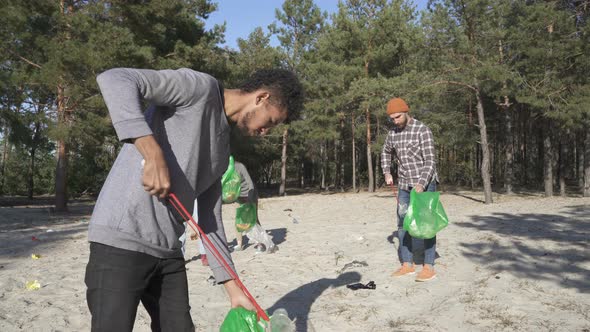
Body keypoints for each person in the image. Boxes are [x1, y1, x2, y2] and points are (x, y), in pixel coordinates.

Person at [84, 67, 303, 331]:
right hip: (121, 240)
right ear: (261, 98)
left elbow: (210, 223)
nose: (266, 131)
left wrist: (233, 290)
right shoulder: (199, 88)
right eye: (270, 121)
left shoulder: (222, 153)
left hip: (168, 251)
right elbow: (115, 79)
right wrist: (151, 151)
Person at [381, 97, 439, 282]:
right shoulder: (393, 133)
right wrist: (387, 171)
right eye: (392, 118)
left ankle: (428, 266)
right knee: (403, 223)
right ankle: (407, 264)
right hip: (404, 185)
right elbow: (385, 151)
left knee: (427, 225)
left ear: (406, 112)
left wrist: (422, 183)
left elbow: (430, 160)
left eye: (397, 117)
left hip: (425, 183)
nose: (395, 121)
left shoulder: (422, 130)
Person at [231, 160, 277, 253]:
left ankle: (262, 243)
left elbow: (250, 183)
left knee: (254, 219)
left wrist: (250, 200)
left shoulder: (239, 166)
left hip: (250, 194)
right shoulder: (222, 170)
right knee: (239, 219)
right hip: (238, 196)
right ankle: (239, 245)